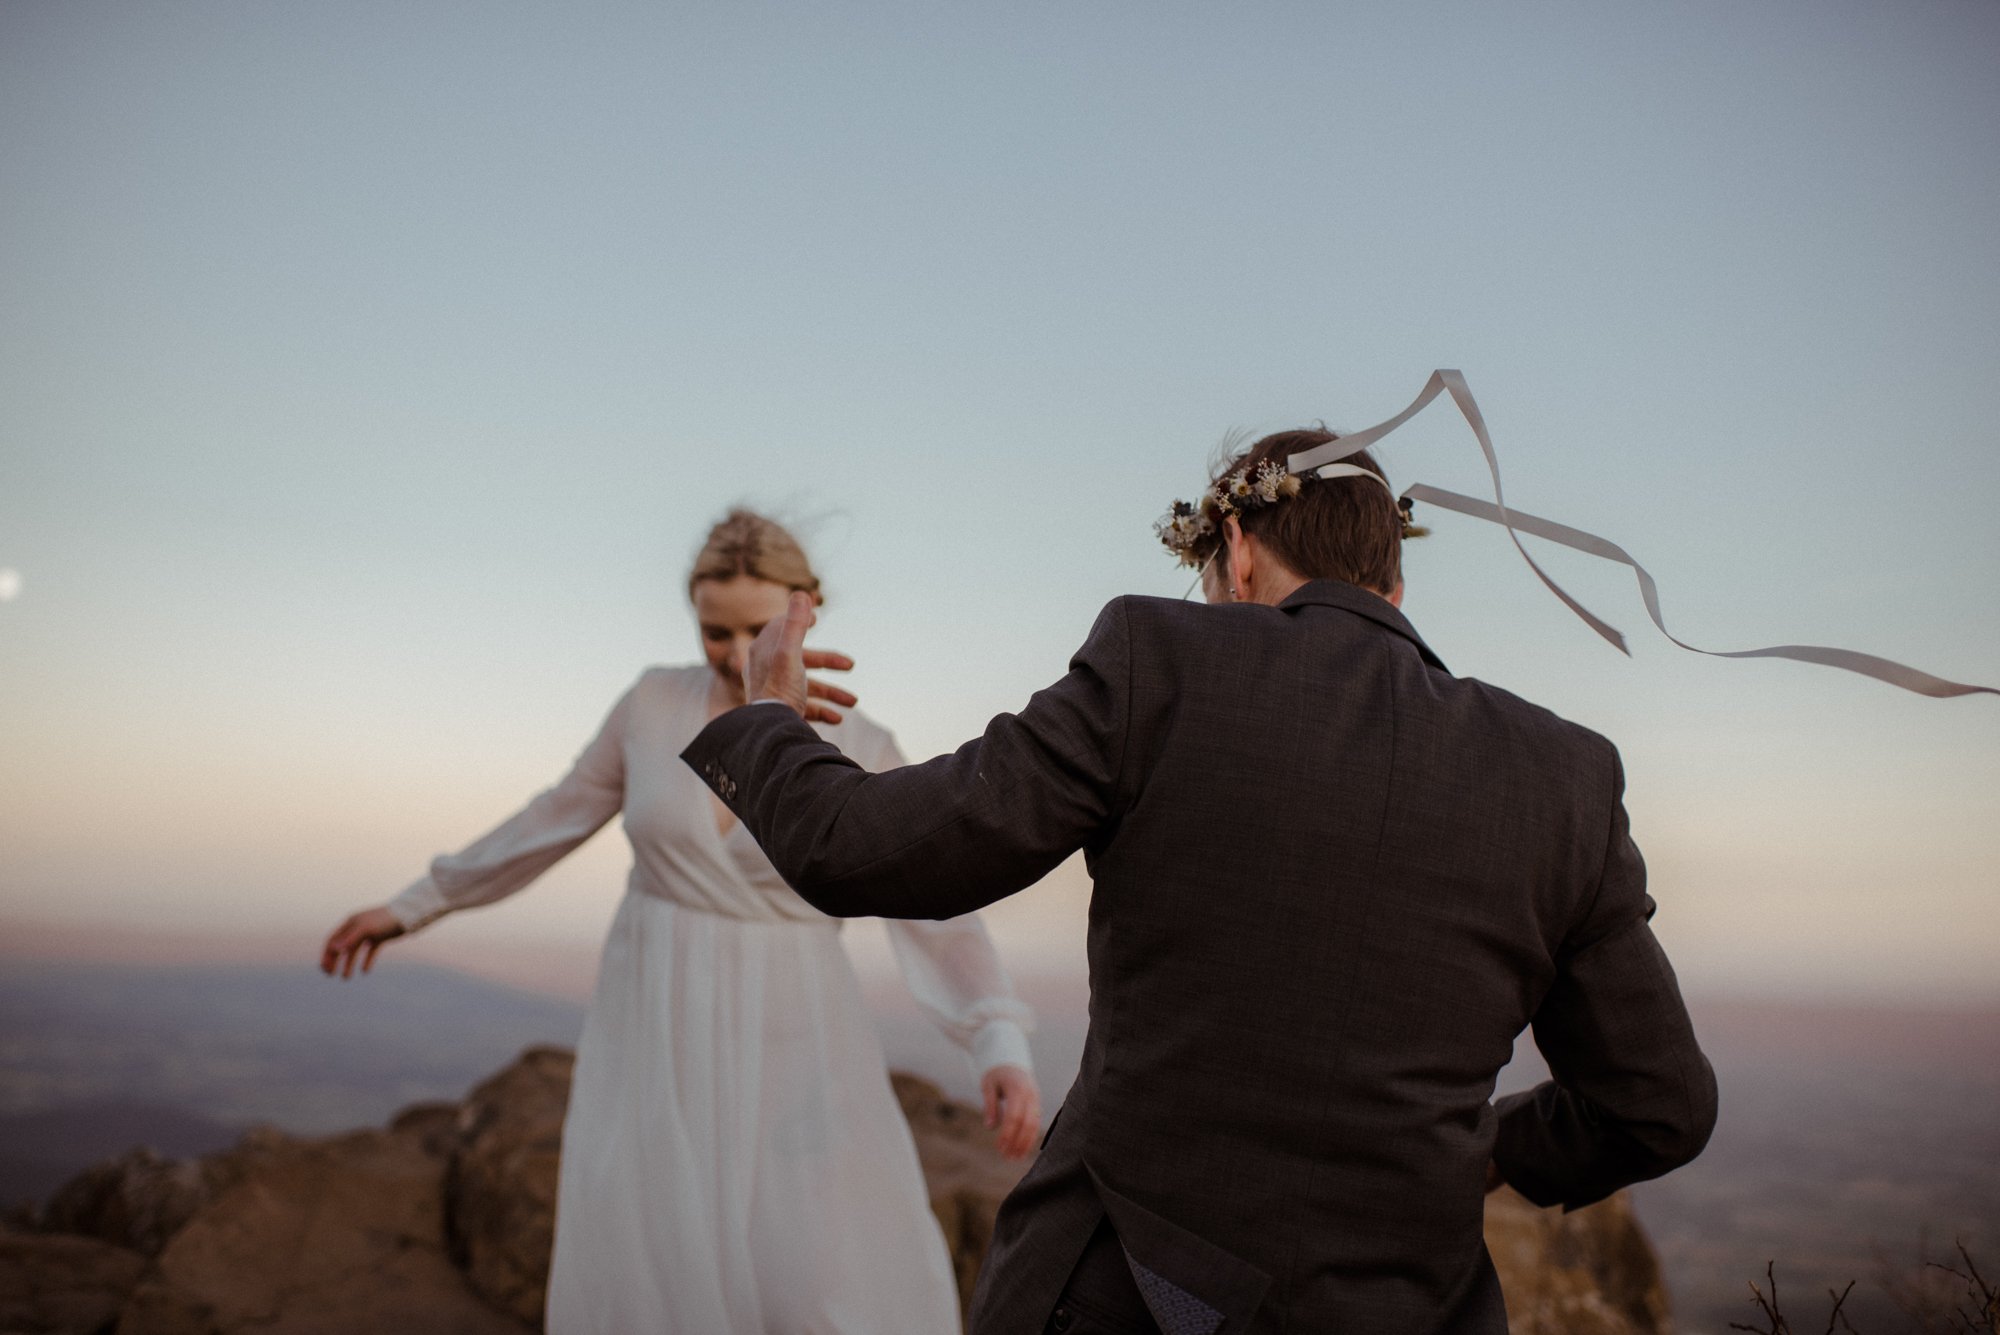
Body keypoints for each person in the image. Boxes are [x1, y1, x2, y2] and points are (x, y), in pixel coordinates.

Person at [684, 435, 1719, 1334]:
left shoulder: (1160, 660)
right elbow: (1656, 1107)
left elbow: (860, 848)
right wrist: (1479, 1149)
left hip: (1125, 1295)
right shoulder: (1564, 777)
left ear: (1234, 550)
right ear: (1393, 584)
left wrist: (763, 717)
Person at [318, 508, 1041, 1335]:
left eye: (756, 628)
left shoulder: (860, 743)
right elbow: (551, 819)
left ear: (805, 608)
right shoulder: (651, 704)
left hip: (796, 1025)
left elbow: (934, 898)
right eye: (713, 632)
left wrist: (997, 1037)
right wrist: (415, 905)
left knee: (816, 1271)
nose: (736, 655)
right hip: (654, 1010)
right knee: (653, 1253)